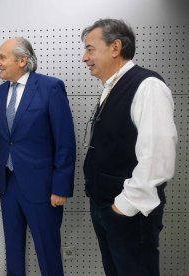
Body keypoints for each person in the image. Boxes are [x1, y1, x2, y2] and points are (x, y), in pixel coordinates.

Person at [81, 19, 177, 276]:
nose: (84, 57)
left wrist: (122, 207)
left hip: (129, 212)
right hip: (107, 207)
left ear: (115, 47)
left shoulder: (148, 86)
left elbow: (158, 158)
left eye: (90, 49)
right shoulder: (110, 88)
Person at [0, 37, 76, 276]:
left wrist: (61, 187)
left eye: (2, 57)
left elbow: (65, 141)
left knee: (48, 252)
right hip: (8, 184)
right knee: (13, 251)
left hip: (44, 189)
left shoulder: (50, 87)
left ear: (22, 60)